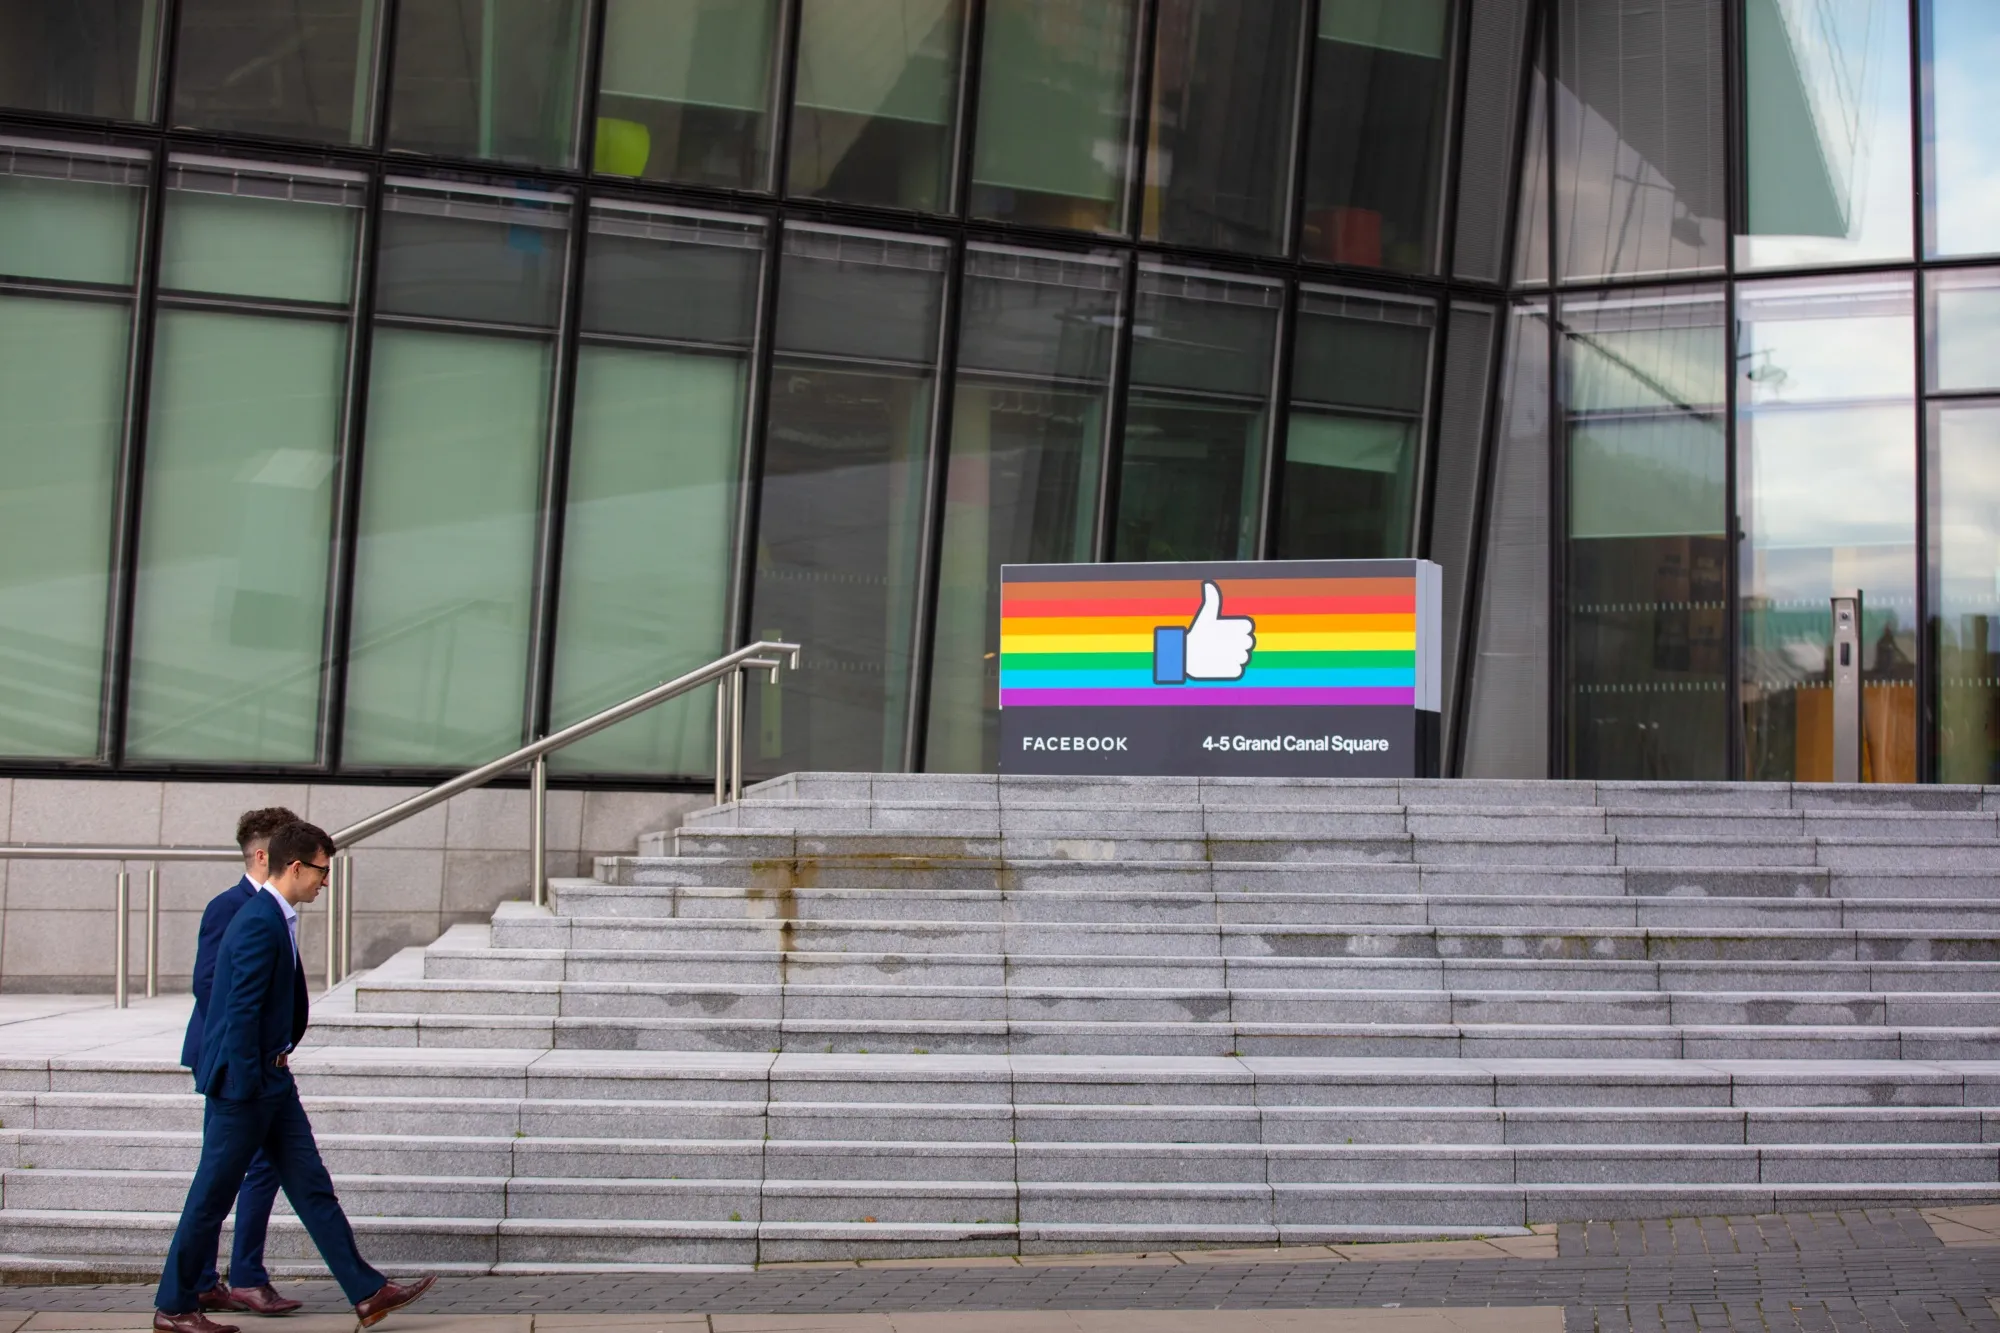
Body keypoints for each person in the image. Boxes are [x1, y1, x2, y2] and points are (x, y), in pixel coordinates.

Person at [153, 821, 434, 1333]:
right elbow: (238, 1010)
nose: (326, 882)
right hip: (248, 1086)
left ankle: (368, 1291)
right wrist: (246, 1085)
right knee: (212, 1195)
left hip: (272, 1081)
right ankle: (174, 1307)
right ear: (297, 866)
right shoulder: (258, 919)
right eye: (323, 871)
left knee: (310, 1186)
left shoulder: (270, 914)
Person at [179, 807, 300, 1317]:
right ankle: (238, 1278)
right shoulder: (231, 906)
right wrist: (245, 1063)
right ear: (262, 854)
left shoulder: (273, 905)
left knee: (240, 1170)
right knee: (240, 1170)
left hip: (257, 1063)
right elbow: (211, 986)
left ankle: (213, 1280)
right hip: (233, 1066)